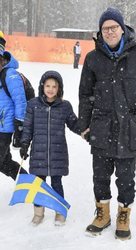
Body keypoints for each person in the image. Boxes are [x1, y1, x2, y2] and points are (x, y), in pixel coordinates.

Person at [78, 7, 136, 240]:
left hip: (130, 129)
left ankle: (123, 215)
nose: (110, 32)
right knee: (100, 176)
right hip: (102, 127)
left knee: (126, 178)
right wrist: (84, 123)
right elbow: (85, 94)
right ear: (100, 32)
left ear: (122, 29)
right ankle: (102, 213)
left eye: (114, 27)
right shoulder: (92, 58)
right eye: (105, 28)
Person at [19, 70, 80, 226]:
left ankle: (59, 212)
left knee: (57, 183)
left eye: (54, 86)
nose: (51, 89)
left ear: (59, 88)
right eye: (48, 85)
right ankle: (38, 213)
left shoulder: (64, 106)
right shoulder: (33, 104)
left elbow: (74, 124)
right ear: (42, 86)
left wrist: (86, 129)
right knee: (38, 185)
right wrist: (24, 143)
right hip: (38, 153)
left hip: (57, 153)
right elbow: (28, 127)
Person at [0, 33, 27, 180]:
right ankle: (27, 182)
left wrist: (19, 125)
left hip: (5, 127)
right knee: (4, 163)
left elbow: (20, 100)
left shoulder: (10, 75)